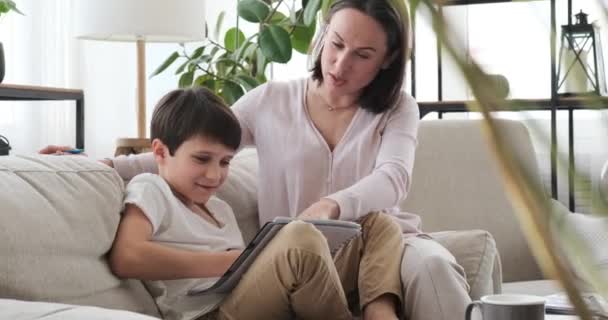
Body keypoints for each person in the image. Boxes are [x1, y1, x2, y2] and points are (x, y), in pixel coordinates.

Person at [41, 0, 471, 318]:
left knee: (404, 241)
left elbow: (393, 178)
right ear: (323, 36)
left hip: (376, 248)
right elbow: (194, 146)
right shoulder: (271, 100)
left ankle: (379, 310)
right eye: (336, 44)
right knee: (302, 240)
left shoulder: (398, 108)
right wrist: (98, 163)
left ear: (388, 60)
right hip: (298, 259)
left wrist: (332, 206)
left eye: (363, 55)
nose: (340, 64)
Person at [103, 86, 404, 320]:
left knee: (377, 224)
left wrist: (247, 263)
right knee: (299, 237)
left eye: (224, 162)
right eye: (201, 159)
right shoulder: (152, 188)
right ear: (160, 152)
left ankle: (379, 312)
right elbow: (127, 256)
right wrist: (232, 262)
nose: (214, 174)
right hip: (208, 313)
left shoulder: (219, 208)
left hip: (251, 299)